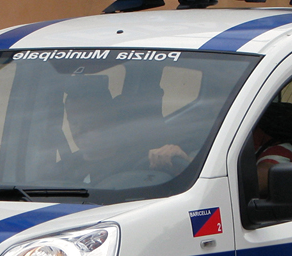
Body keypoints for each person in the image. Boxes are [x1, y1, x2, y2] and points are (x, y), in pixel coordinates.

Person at [54, 79, 190, 184]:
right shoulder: (61, 170)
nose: (79, 130)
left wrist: (179, 158)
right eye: (73, 122)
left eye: (88, 121)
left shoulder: (147, 160)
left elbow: (191, 187)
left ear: (110, 118)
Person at [253, 101, 292, 195]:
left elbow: (254, 183)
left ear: (265, 128)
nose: (251, 133)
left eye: (255, 127)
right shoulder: (263, 148)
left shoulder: (280, 152)